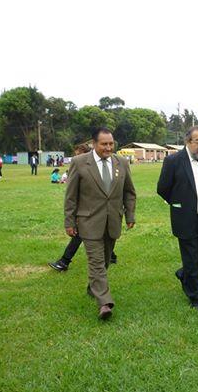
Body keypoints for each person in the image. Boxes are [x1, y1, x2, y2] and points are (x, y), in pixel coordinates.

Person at [64, 127, 136, 320]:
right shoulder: (79, 162)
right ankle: (105, 302)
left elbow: (129, 192)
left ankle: (93, 287)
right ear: (94, 144)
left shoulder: (121, 162)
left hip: (113, 220)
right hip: (88, 221)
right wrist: (69, 221)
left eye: (111, 143)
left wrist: (130, 215)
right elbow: (71, 196)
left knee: (104, 260)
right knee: (96, 261)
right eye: (104, 144)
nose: (108, 148)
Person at [157, 126, 198, 312]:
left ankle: (184, 274)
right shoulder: (174, 161)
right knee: (191, 257)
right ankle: (195, 296)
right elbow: (162, 188)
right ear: (188, 142)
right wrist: (180, 203)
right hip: (186, 217)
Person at [50, 144, 118, 272]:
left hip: (91, 210)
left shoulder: (94, 168)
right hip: (84, 210)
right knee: (96, 233)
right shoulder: (79, 167)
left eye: (78, 154)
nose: (76, 157)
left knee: (80, 234)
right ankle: (112, 256)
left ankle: (64, 261)